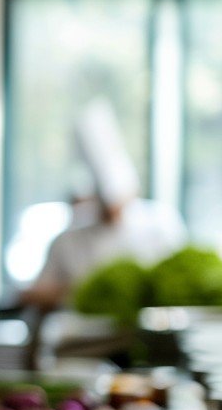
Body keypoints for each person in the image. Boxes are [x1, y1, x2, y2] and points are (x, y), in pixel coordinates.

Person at [20, 100, 186, 310]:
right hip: (77, 339)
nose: (112, 209)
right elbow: (35, 295)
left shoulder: (160, 225)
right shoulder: (68, 240)